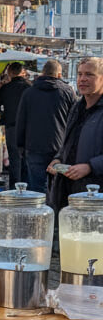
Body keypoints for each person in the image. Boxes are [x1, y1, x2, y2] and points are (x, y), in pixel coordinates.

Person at [48, 56, 103, 213]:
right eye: (80, 74)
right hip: (68, 192)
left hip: (95, 195)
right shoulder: (76, 107)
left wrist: (90, 167)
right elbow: (70, 142)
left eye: (89, 74)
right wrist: (58, 158)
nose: (83, 79)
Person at [15, 59, 75, 195]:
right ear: (59, 75)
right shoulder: (67, 92)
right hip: (60, 148)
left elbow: (21, 121)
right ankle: (56, 214)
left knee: (37, 189)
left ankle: (40, 215)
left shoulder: (29, 93)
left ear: (42, 74)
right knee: (59, 187)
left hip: (34, 146)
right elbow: (75, 121)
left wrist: (20, 146)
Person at [0, 60, 31, 188]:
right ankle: (26, 186)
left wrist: (4, 111)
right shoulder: (30, 87)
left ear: (9, 72)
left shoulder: (6, 88)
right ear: (22, 72)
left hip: (11, 126)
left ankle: (14, 187)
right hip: (28, 128)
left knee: (14, 158)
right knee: (27, 157)